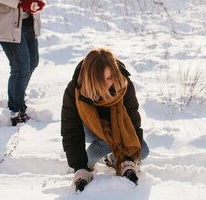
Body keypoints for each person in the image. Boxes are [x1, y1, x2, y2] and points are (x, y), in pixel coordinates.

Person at [61, 48, 149, 191]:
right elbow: (71, 131)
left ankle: (113, 159)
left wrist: (129, 159)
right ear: (91, 77)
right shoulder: (75, 91)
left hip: (118, 129)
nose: (108, 83)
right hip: (90, 129)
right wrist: (80, 167)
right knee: (99, 148)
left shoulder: (123, 85)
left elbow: (133, 120)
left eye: (110, 77)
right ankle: (104, 153)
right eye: (102, 79)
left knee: (143, 151)